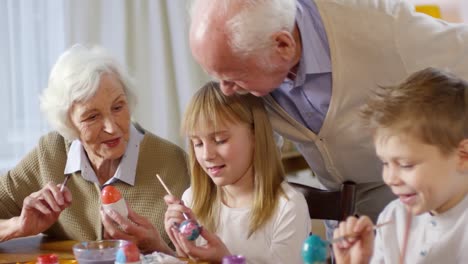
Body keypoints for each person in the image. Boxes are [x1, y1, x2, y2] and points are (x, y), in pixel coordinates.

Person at [188, 0, 468, 224]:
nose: (225, 90)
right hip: (349, 226)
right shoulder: (249, 55)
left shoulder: (385, 30)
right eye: (216, 77)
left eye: (234, 77)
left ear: (283, 45)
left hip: (420, 215)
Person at [0, 44, 190, 254]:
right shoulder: (50, 154)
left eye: (118, 107)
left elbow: (201, 254)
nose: (111, 127)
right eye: (92, 116)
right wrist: (17, 226)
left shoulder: (174, 164)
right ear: (68, 124)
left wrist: (157, 248)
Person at [163, 82, 311, 263]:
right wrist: (182, 251)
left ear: (256, 136)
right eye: (198, 143)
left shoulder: (288, 206)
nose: (207, 155)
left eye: (220, 140)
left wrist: (226, 259)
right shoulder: (192, 200)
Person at [332, 67, 468, 263]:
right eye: (385, 163)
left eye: (406, 165)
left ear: (463, 155)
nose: (389, 178)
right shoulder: (393, 218)